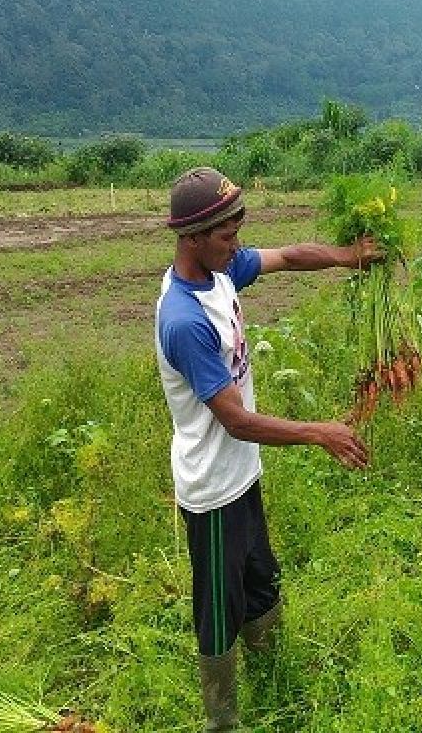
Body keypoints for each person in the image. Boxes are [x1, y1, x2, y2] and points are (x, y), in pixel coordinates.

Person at [155, 167, 380, 731]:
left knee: (262, 579)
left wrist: (346, 256)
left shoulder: (221, 271)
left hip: (243, 477)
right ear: (192, 238)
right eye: (227, 236)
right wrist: (319, 432)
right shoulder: (184, 320)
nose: (238, 246)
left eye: (238, 233)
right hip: (211, 491)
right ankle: (223, 719)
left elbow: (286, 256)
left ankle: (276, 678)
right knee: (217, 610)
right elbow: (233, 419)